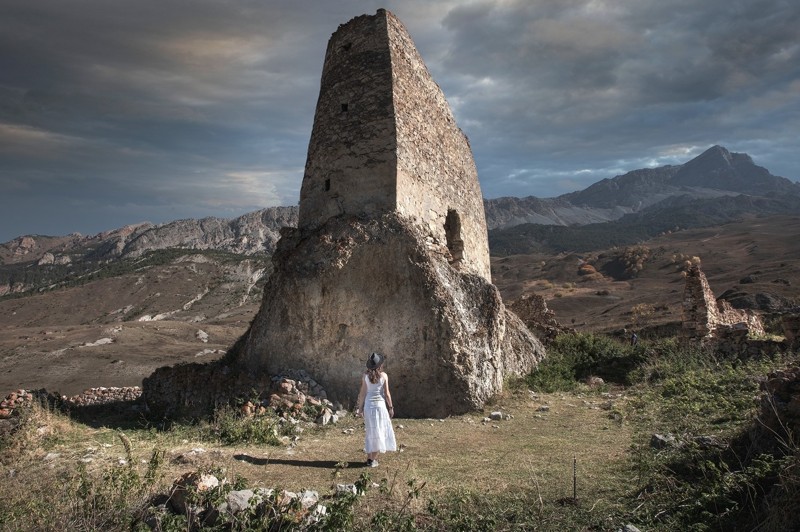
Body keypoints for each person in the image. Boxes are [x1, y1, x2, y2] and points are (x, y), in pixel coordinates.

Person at [355, 352, 397, 467]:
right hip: (380, 406)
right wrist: (391, 407)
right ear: (380, 365)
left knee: (371, 431)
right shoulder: (384, 376)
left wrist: (360, 408)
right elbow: (387, 394)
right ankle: (372, 459)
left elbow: (362, 394)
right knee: (380, 431)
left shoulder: (365, 377)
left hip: (369, 406)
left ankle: (370, 458)